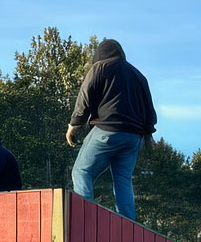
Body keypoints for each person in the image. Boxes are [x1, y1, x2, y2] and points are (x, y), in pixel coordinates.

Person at [66, 38, 157, 221]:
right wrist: (148, 135)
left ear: (99, 56)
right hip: (134, 137)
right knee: (123, 179)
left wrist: (73, 125)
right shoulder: (139, 76)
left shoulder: (100, 68)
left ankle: (84, 220)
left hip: (107, 130)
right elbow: (149, 109)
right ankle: (129, 224)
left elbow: (85, 97)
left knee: (82, 171)